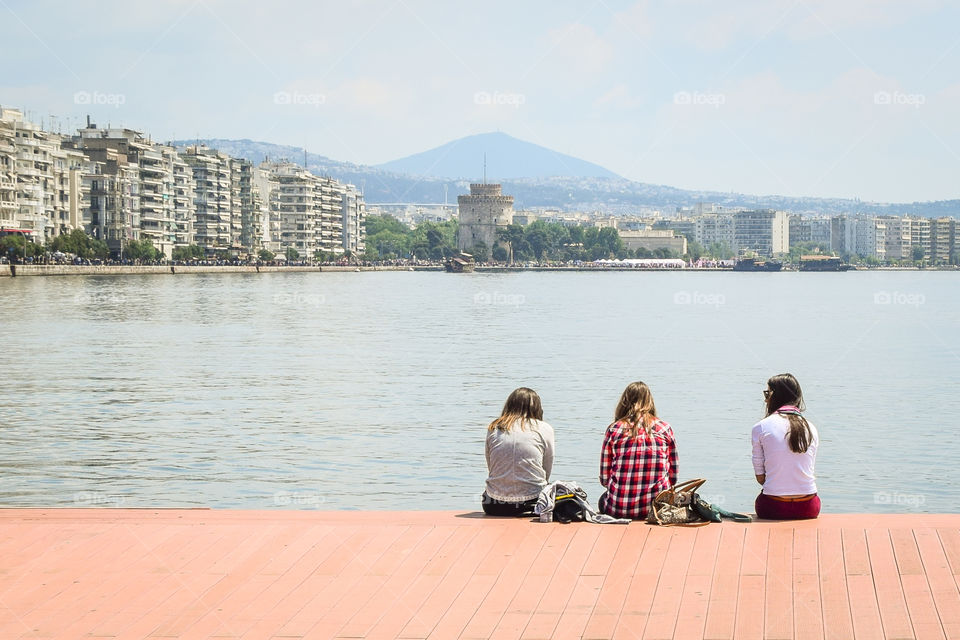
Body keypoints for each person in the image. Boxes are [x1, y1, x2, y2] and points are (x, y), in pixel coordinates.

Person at [598, 381, 678, 519]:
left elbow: (605, 479)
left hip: (618, 509)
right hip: (657, 509)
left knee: (602, 500)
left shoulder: (614, 429)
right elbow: (673, 477)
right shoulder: (665, 428)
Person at [751, 373, 820, 520]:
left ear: (774, 396)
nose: (765, 399)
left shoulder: (760, 427)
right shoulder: (811, 428)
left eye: (767, 393)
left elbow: (760, 478)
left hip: (773, 507)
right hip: (809, 507)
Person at [482, 387, 555, 516]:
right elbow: (546, 470)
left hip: (493, 504)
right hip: (533, 502)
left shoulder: (494, 427)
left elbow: (491, 465)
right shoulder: (544, 428)